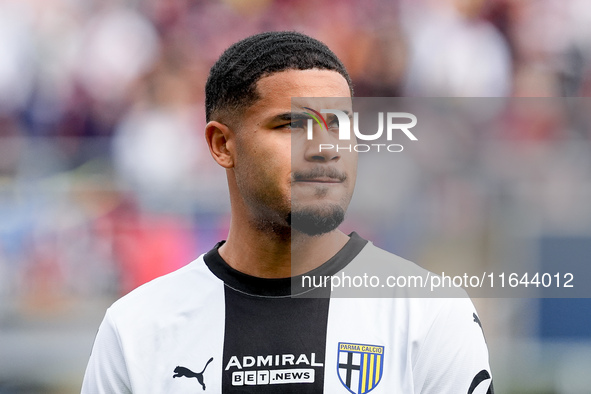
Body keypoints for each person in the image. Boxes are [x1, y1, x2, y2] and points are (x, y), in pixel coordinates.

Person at [82, 31, 493, 393]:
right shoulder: (136, 330)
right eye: (292, 125)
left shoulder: (429, 312)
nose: (326, 147)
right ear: (222, 145)